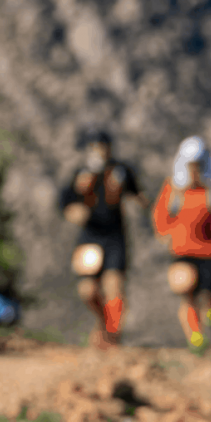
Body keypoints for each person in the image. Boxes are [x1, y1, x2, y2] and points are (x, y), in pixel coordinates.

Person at [58, 129, 149, 350]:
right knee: (88, 290)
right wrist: (75, 211)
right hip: (90, 236)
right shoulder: (81, 174)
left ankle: (112, 334)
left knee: (114, 287)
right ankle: (105, 323)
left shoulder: (120, 171)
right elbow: (65, 203)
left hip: (114, 236)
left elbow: (139, 195)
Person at [152, 136, 211, 353]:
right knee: (186, 290)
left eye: (197, 165)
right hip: (182, 250)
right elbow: (160, 213)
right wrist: (165, 232)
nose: (194, 170)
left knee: (208, 297)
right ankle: (196, 337)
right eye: (190, 165)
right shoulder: (173, 189)